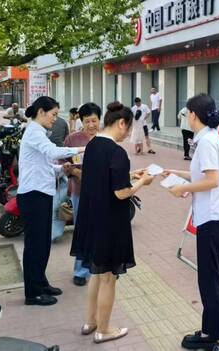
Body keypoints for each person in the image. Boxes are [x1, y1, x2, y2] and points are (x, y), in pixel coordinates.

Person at [70, 102, 155, 344]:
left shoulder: (93, 145)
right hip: (109, 222)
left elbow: (101, 177)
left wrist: (130, 175)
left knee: (96, 274)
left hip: (91, 219)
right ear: (121, 123)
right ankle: (104, 329)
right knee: (108, 278)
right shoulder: (117, 152)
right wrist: (142, 182)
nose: (127, 135)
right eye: (127, 129)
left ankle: (91, 321)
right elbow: (121, 193)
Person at [163, 94, 219, 351]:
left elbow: (212, 180)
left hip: (214, 219)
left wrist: (180, 188)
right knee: (208, 278)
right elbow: (202, 175)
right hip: (214, 218)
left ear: (193, 115)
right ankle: (209, 331)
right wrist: (175, 174)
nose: (186, 117)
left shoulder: (206, 141)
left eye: (187, 114)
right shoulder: (209, 137)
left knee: (210, 279)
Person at [17, 96, 85, 306]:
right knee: (35, 245)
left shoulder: (39, 132)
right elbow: (53, 151)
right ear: (41, 112)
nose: (55, 119)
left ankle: (41, 283)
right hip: (33, 196)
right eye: (53, 114)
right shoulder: (34, 132)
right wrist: (82, 148)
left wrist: (61, 169)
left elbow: (44, 164)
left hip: (42, 194)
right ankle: (32, 293)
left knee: (43, 243)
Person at [64, 102, 101, 286]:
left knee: (102, 230)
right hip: (80, 192)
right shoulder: (72, 139)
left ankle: (101, 266)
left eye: (94, 121)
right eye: (87, 121)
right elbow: (63, 163)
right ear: (81, 121)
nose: (91, 125)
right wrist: (74, 171)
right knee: (82, 230)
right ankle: (81, 270)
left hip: (103, 193)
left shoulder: (106, 139)